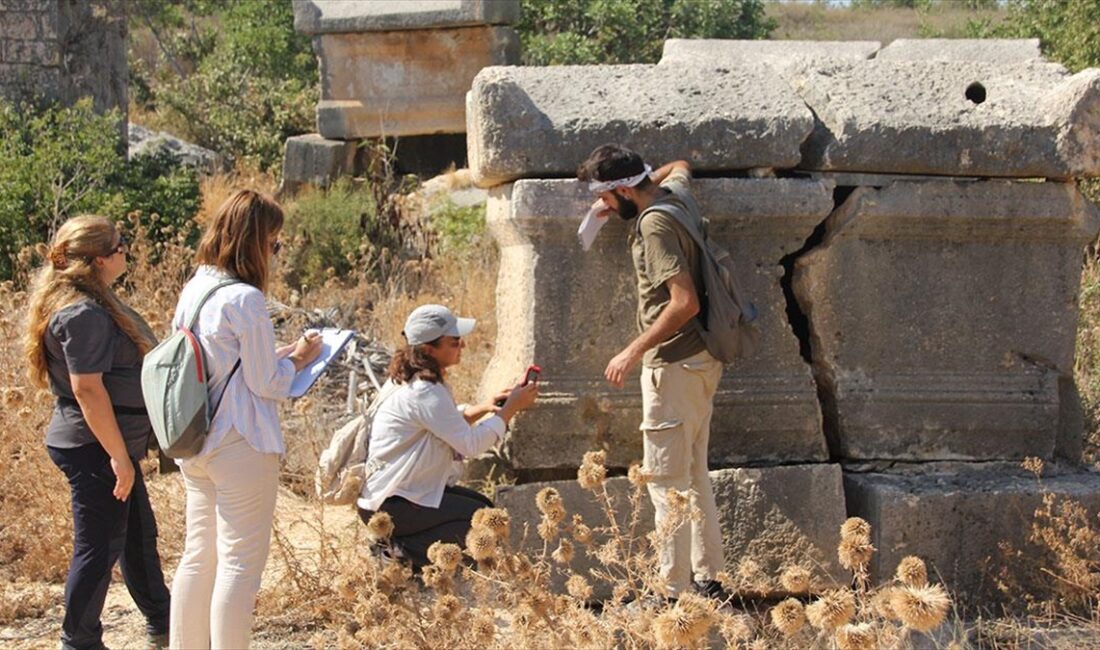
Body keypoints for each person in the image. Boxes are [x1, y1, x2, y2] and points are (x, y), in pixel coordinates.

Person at [168, 190, 322, 649]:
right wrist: (299, 360)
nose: (275, 252)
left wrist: (281, 356)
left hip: (196, 439)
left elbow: (223, 362)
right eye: (273, 242)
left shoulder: (196, 286)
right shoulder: (246, 299)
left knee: (199, 557)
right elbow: (266, 384)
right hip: (242, 441)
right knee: (239, 564)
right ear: (254, 241)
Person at [577, 144, 728, 602]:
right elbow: (681, 166)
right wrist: (627, 189)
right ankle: (709, 580)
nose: (604, 207)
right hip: (703, 359)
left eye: (606, 198)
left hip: (674, 366)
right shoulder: (674, 196)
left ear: (623, 190)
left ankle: (669, 593)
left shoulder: (655, 224)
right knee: (694, 473)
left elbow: (684, 302)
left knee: (666, 482)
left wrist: (632, 351)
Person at [24, 215, 171, 650]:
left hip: (106, 443)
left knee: (137, 534)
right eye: (121, 244)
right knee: (99, 547)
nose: (126, 250)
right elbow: (87, 389)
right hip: (96, 446)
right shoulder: (82, 312)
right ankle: (79, 640)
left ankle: (162, 620)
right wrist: (119, 457)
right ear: (100, 259)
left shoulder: (91, 300)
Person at [357, 304, 538, 568]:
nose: (462, 346)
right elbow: (471, 444)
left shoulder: (413, 379)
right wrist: (510, 409)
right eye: (454, 342)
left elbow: (442, 422)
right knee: (481, 524)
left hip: (397, 497)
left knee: (484, 507)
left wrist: (487, 407)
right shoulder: (425, 391)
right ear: (430, 349)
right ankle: (397, 554)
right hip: (392, 507)